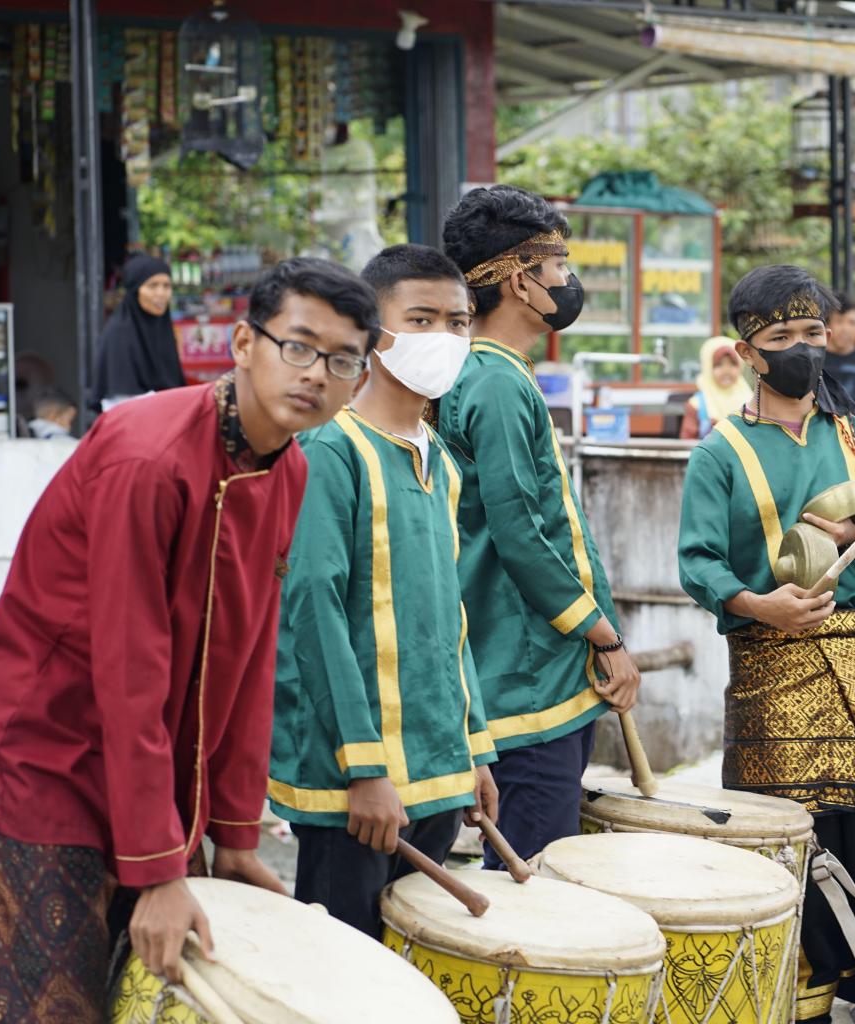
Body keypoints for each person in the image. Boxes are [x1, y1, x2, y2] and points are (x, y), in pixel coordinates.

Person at [0, 258, 378, 1019]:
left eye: (343, 360)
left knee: (159, 984)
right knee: (50, 1001)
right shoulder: (148, 456)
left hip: (152, 755)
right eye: (299, 346)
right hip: (45, 745)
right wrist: (157, 868)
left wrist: (236, 831)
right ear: (244, 343)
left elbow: (249, 657)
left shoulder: (288, 472)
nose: (317, 373)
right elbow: (129, 671)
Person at [678, 264, 855, 1024]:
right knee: (793, 842)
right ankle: (803, 1005)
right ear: (746, 353)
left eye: (813, 332)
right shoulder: (720, 452)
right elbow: (698, 563)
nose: (802, 348)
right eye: (783, 336)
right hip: (772, 667)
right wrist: (759, 604)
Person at [268, 244, 498, 939]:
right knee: (343, 968)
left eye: (457, 322)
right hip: (358, 787)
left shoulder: (440, 460)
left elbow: (450, 616)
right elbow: (313, 613)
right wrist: (362, 768)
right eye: (421, 319)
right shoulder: (330, 450)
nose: (444, 338)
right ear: (373, 331)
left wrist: (474, 750)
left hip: (437, 773)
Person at [439, 185, 641, 867]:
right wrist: (604, 635)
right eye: (558, 265)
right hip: (528, 681)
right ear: (519, 280)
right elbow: (522, 533)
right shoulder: (495, 382)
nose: (567, 280)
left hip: (531, 668)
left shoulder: (491, 372)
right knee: (536, 881)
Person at [91, 253, 186, 411]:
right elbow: (119, 399)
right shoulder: (119, 334)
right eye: (152, 286)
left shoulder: (163, 330)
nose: (161, 293)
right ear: (135, 290)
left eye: (166, 286)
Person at [679, 335, 752, 440]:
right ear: (708, 367)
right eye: (719, 365)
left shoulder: (751, 401)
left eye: (732, 364)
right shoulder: (696, 404)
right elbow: (687, 442)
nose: (726, 370)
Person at [823, 291, 855, 418]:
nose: (845, 329)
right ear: (828, 325)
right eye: (839, 321)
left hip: (854, 424)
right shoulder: (817, 357)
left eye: (852, 322)